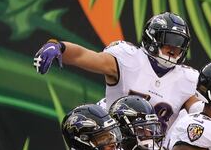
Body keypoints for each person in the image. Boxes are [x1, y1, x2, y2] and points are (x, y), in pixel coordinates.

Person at [33, 12, 202, 132]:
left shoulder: (188, 78)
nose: (174, 50)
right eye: (169, 43)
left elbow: (201, 111)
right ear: (153, 39)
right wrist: (60, 47)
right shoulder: (129, 59)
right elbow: (86, 56)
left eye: (180, 45)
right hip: (113, 143)